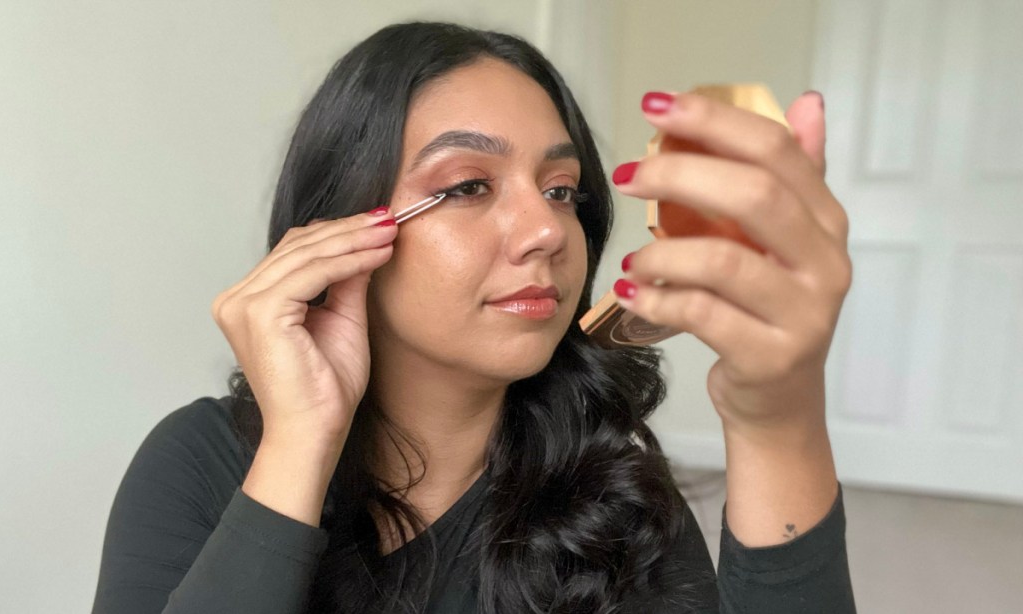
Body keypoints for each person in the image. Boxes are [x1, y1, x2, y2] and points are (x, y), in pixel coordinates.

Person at [92, 21, 856, 614]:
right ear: (341, 231)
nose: (549, 231)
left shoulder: (613, 494)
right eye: (466, 187)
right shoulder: (200, 463)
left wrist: (777, 423)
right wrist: (300, 445)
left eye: (561, 189)